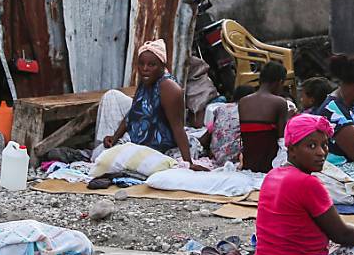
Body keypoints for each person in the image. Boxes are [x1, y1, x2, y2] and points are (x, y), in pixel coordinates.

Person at [253, 114, 354, 255]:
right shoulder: (307, 183)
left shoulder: (272, 175)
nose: (322, 152)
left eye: (325, 145)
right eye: (312, 146)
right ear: (292, 150)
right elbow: (341, 234)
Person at [102, 39, 206, 170]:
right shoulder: (145, 80)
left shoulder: (169, 88)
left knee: (111, 162)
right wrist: (115, 137)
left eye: (151, 65)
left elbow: (177, 127)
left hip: (160, 148)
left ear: (162, 66)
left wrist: (188, 162)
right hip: (138, 140)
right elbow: (133, 112)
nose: (145, 69)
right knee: (101, 156)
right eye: (141, 64)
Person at [238, 61, 290, 173]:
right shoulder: (279, 102)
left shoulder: (243, 102)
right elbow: (282, 139)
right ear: (280, 82)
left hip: (249, 164)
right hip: (268, 165)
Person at [199, 85, 254, 166]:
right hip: (234, 158)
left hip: (216, 156)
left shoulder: (220, 109)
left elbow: (209, 132)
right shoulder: (248, 111)